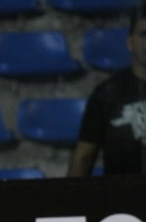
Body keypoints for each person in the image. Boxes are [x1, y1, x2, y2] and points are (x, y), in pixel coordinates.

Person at [68, 7, 146, 177]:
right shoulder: (107, 94)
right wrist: (70, 194)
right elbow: (83, 157)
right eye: (144, 35)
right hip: (121, 192)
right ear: (130, 42)